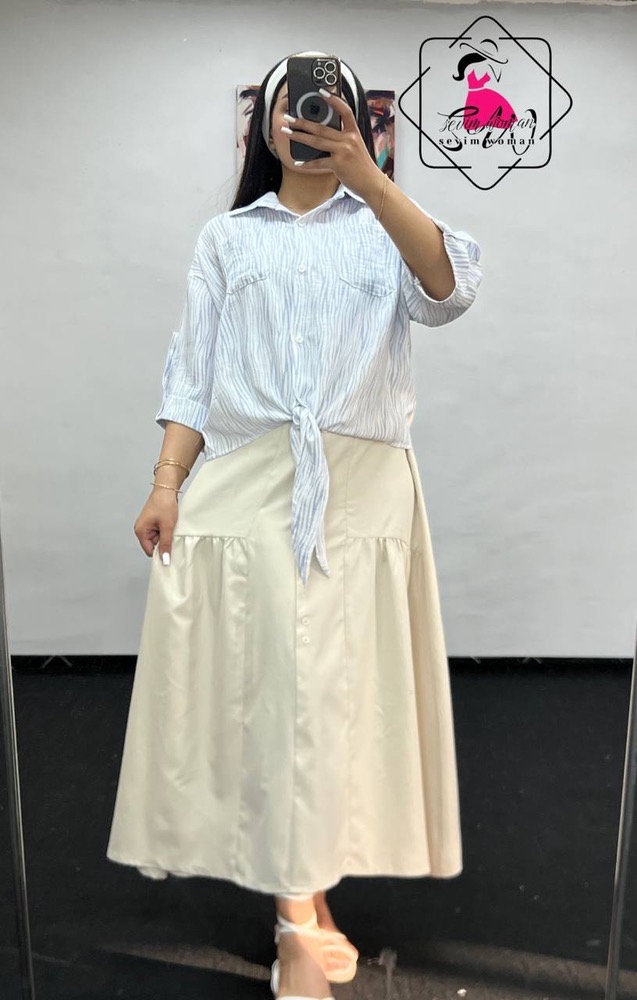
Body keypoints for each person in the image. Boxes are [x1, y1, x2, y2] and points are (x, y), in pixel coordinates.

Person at [106, 50, 483, 1000]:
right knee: (283, 695)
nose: (308, 119)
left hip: (363, 493)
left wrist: (371, 178)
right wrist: (165, 481)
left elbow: (449, 290)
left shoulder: (386, 226)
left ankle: (307, 899)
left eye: (328, 106)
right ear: (264, 127)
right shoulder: (227, 239)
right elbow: (193, 372)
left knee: (336, 699)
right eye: (292, 105)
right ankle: (293, 921)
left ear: (355, 119)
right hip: (251, 485)